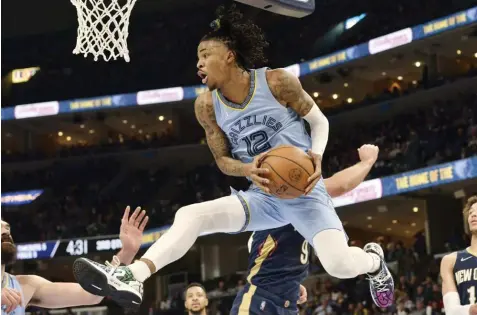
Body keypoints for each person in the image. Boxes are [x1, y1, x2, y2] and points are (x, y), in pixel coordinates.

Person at [72, 6, 394, 310]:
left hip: (305, 192)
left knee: (338, 264)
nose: (198, 64)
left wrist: (316, 157)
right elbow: (223, 161)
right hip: (263, 197)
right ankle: (134, 276)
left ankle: (374, 261)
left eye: (204, 55)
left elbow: (319, 121)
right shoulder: (206, 106)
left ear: (229, 56)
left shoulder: (276, 81)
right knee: (191, 214)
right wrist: (246, 168)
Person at [232, 144, 380, 315]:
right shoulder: (275, 201)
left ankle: (374, 262)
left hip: (287, 303)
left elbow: (271, 261)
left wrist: (291, 283)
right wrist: (366, 163)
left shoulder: (295, 197)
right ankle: (374, 262)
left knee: (340, 264)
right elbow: (340, 185)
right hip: (260, 300)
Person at [1, 206, 148, 314]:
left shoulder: (25, 286)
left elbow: (93, 295)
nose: (5, 230)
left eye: (7, 228)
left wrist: (127, 251)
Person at [441, 196, 477, 315]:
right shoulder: (451, 260)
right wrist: (473, 309)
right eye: (471, 212)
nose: (473, 215)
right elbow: (451, 311)